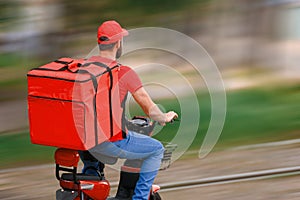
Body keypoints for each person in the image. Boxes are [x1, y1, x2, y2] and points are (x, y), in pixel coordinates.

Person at [80, 20, 178, 200]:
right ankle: (139, 198)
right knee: (156, 149)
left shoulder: (83, 69)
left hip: (84, 140)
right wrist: (164, 117)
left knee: (92, 163)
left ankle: (88, 190)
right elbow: (149, 108)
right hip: (109, 140)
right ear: (118, 43)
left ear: (100, 43)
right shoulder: (122, 72)